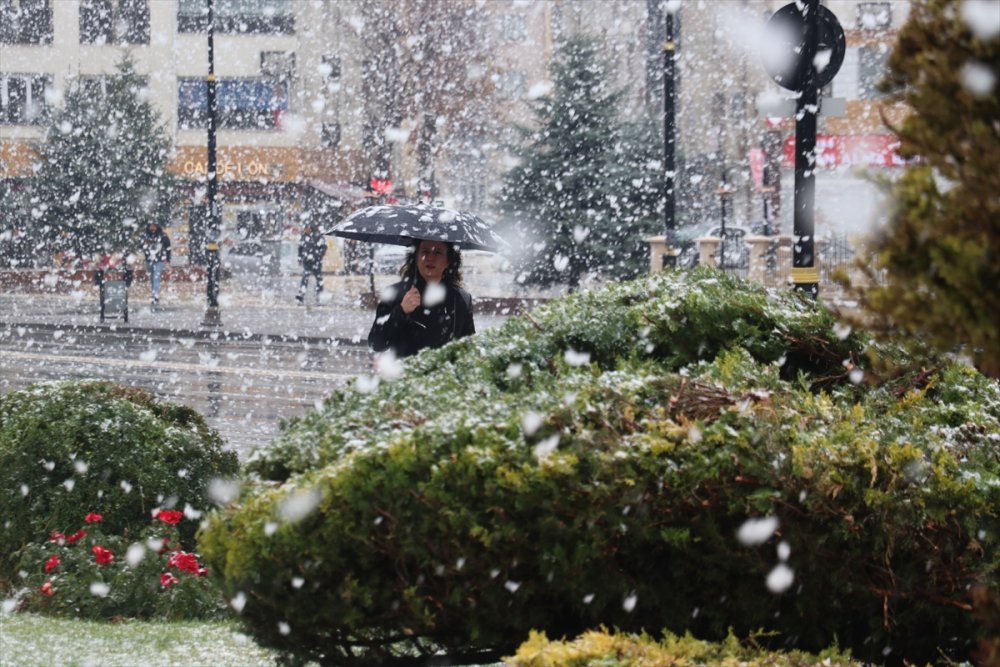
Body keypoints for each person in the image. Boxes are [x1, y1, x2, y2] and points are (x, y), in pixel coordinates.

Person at [368, 239, 475, 358]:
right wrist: (401, 311)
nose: (430, 258)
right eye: (425, 251)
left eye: (438, 253)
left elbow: (469, 349)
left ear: (448, 261)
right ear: (416, 257)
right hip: (406, 375)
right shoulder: (396, 294)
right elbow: (376, 343)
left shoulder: (461, 299)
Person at [140, 222, 171, 307]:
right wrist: (145, 245)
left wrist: (168, 259)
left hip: (159, 260)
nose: (153, 227)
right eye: (151, 225)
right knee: (152, 278)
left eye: (154, 225)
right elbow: (141, 246)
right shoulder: (145, 235)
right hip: (149, 260)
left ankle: (155, 296)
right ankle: (154, 294)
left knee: (156, 277)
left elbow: (168, 247)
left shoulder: (162, 235)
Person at [296, 223, 327, 304]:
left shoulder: (318, 236)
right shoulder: (304, 237)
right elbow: (300, 248)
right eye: (305, 228)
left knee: (318, 278)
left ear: (311, 228)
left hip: (316, 261)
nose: (305, 230)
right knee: (305, 278)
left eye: (307, 228)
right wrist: (300, 258)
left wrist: (319, 256)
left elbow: (324, 247)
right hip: (307, 261)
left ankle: (319, 297)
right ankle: (301, 296)